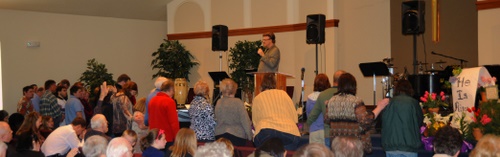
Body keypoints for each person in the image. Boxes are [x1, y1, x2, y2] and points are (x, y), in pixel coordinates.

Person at [325, 73, 389, 153]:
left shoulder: (331, 101)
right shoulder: (356, 101)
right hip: (353, 146)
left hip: (337, 145)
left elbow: (327, 120)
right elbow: (366, 122)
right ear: (353, 86)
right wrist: (379, 107)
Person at [252, 73, 300, 150]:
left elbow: (255, 123)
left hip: (266, 132)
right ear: (275, 84)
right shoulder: (284, 94)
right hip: (290, 133)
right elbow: (295, 119)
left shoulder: (258, 98)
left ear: (261, 85)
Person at [382, 79, 423, 157]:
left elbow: (383, 121)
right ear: (410, 89)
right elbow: (419, 122)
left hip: (391, 146)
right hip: (409, 146)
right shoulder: (414, 103)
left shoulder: (389, 103)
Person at [306, 70, 344, 147]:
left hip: (314, 131)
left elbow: (310, 115)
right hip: (328, 131)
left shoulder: (310, 97)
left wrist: (306, 126)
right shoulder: (333, 94)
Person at [214, 78, 253, 146]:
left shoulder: (219, 102)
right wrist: (250, 137)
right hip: (237, 137)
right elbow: (245, 121)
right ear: (234, 89)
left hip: (220, 137)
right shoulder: (238, 102)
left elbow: (216, 120)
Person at [149, 79, 179, 147]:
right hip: (166, 137)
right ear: (170, 90)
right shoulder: (169, 102)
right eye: (173, 91)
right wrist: (177, 137)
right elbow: (174, 123)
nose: (173, 93)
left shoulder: (152, 100)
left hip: (154, 136)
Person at [305, 74, 331, 145]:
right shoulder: (327, 97)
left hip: (313, 131)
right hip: (325, 131)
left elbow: (308, 115)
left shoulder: (309, 97)